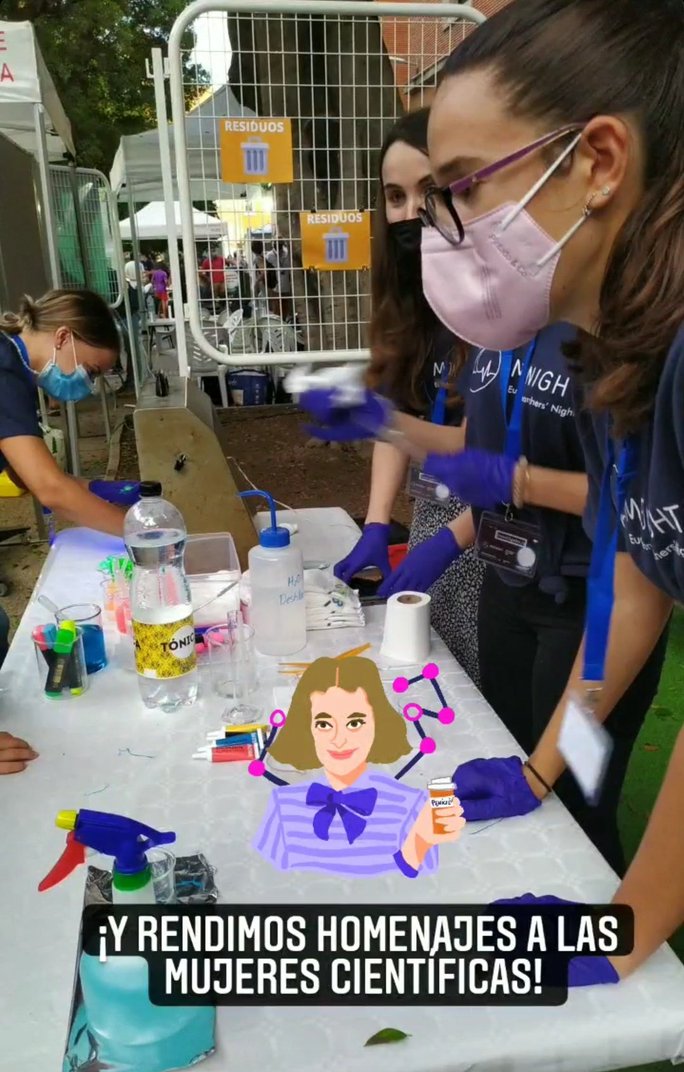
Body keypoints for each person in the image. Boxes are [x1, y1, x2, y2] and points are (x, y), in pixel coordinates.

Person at [409, 0, 684, 998]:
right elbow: (639, 581)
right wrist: (538, 769)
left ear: (600, 161)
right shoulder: (632, 360)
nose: (441, 232)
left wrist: (628, 920)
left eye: (459, 192)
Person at [332, 109, 486, 685]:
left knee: (481, 692)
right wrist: (376, 523)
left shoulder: (503, 304)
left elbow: (523, 457)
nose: (407, 212)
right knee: (427, 679)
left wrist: (452, 540)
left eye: (427, 190)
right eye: (394, 196)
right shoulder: (410, 298)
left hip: (498, 531)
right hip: (433, 522)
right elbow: (398, 420)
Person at [253, 656, 464, 876]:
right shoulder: (282, 809)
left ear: (378, 723)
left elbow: (423, 889)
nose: (339, 739)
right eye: (324, 724)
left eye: (354, 723)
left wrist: (418, 842)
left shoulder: (414, 809)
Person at [0, 289, 130, 538]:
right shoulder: (5, 375)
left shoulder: (14, 368)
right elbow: (50, 489)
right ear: (62, 337)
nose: (89, 383)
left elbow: (22, 475)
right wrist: (138, 533)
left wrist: (95, 488)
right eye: (91, 371)